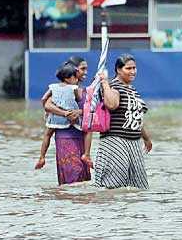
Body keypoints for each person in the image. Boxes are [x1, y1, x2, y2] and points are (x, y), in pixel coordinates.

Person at [94, 54, 152, 189]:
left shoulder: (132, 90)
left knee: (138, 187)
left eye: (134, 68)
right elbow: (112, 104)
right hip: (116, 141)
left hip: (133, 142)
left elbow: (135, 117)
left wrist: (146, 138)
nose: (133, 71)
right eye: (128, 68)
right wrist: (104, 83)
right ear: (119, 70)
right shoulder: (113, 86)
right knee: (114, 185)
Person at [35, 63, 82, 171]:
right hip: (70, 116)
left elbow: (44, 99)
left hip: (55, 117)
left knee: (47, 135)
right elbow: (78, 98)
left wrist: (47, 111)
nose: (76, 79)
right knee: (84, 129)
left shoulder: (53, 87)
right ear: (68, 78)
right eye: (75, 77)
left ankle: (42, 157)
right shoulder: (74, 87)